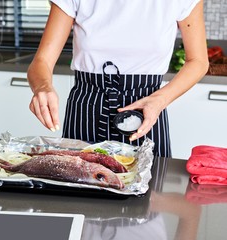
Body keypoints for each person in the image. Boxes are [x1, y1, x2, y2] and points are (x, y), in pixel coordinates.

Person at [27, 0, 209, 157]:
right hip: (87, 107)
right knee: (79, 194)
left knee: (150, 194)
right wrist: (42, 87)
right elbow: (41, 61)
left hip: (148, 112)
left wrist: (159, 100)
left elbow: (198, 61)